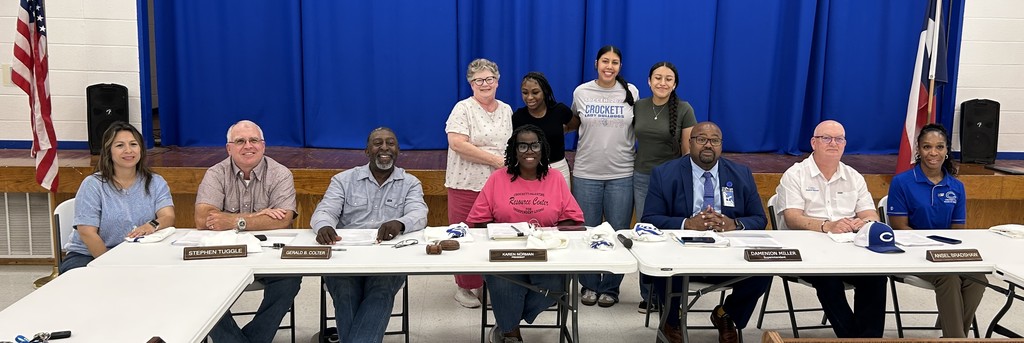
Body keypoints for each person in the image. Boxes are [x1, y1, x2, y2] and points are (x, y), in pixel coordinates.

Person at [642, 122, 770, 343]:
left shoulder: (741, 174)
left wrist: (734, 224)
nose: (708, 145)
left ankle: (726, 314)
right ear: (690, 143)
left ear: (721, 145)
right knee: (662, 265)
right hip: (681, 254)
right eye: (701, 139)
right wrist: (687, 224)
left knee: (764, 270)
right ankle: (672, 320)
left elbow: (760, 219)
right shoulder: (664, 174)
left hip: (728, 253)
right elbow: (650, 219)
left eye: (715, 140)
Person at [466, 125, 584, 343]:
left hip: (546, 254)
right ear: (514, 150)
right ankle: (511, 334)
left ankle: (506, 322)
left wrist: (548, 233)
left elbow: (574, 220)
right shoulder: (498, 179)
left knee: (555, 288)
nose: (529, 151)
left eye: (534, 145)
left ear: (542, 149)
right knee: (504, 285)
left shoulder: (556, 178)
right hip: (505, 255)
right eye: (522, 145)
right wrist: (499, 233)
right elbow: (478, 221)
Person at [312, 127, 428, 343]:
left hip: (389, 259)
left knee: (380, 292)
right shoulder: (343, 180)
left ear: (398, 150)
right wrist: (323, 226)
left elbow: (419, 214)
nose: (384, 147)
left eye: (390, 143)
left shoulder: (410, 182)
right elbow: (325, 210)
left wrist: (400, 223)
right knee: (345, 294)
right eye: (377, 143)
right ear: (367, 150)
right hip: (346, 258)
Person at [776, 120, 885, 338]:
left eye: (839, 139)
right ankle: (853, 338)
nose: (833, 143)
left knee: (876, 276)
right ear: (814, 143)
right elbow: (792, 218)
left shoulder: (854, 177)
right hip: (808, 254)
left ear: (845, 144)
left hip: (848, 251)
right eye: (826, 138)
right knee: (828, 278)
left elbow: (870, 214)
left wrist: (863, 222)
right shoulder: (795, 175)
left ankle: (869, 338)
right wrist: (827, 226)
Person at [197, 120, 301, 343]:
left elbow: (283, 220)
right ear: (229, 148)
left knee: (290, 280)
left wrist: (231, 220)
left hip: (269, 255)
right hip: (224, 254)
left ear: (263, 145)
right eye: (240, 141)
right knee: (198, 284)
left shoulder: (280, 174)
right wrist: (257, 216)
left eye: (254, 140)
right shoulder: (215, 173)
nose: (248, 146)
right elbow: (203, 219)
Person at [887, 123, 985, 338]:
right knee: (949, 278)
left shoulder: (956, 187)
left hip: (947, 254)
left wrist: (947, 252)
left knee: (979, 277)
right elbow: (899, 228)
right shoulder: (902, 182)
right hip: (913, 254)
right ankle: (956, 338)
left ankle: (954, 335)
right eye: (927, 147)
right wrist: (929, 247)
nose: (933, 153)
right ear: (918, 150)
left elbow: (959, 231)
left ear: (947, 150)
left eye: (939, 147)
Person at [568, 45, 639, 308]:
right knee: (587, 233)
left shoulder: (630, 91)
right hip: (586, 172)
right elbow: (574, 122)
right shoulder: (582, 91)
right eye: (605, 61)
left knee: (617, 233)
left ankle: (611, 287)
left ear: (621, 66)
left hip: (622, 173)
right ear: (596, 63)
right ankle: (588, 285)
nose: (610, 66)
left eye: (615, 62)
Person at [59, 122, 174, 274]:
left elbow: (168, 216)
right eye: (120, 145)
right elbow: (87, 232)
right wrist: (111, 265)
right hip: (89, 255)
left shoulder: (155, 181)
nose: (128, 150)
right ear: (109, 151)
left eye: (133, 144)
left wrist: (150, 225)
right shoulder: (93, 184)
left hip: (137, 253)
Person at [445, 58, 513, 308]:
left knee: (493, 235)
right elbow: (457, 143)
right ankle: (464, 287)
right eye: (478, 80)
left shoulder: (506, 109)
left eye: (489, 79)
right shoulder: (462, 109)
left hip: (498, 184)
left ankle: (489, 284)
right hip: (466, 182)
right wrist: (495, 160)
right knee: (466, 234)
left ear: (498, 81)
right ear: (470, 83)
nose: (485, 84)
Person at [632, 61, 697, 313]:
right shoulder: (639, 106)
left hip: (672, 180)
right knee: (645, 233)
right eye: (657, 78)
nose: (662, 83)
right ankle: (648, 294)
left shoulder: (684, 109)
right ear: (649, 81)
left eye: (668, 79)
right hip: (641, 176)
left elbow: (687, 151)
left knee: (670, 234)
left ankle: (670, 293)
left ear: (675, 84)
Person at [512, 71, 574, 187]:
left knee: (561, 204)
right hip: (529, 170)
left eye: (535, 92)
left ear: (544, 92)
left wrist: (562, 130)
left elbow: (575, 124)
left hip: (558, 168)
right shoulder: (518, 117)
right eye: (525, 93)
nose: (529, 97)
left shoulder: (560, 111)